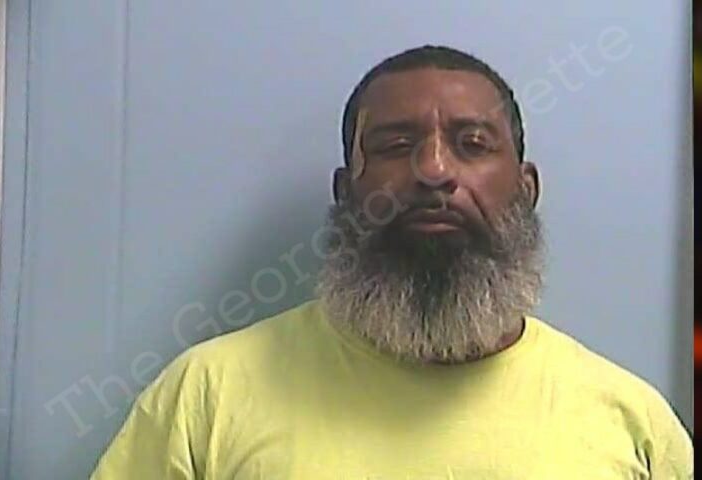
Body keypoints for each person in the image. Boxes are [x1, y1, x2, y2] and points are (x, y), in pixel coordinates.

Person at [91, 45, 693, 479]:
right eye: (395, 145)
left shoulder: (631, 422)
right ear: (345, 191)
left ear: (525, 188)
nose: (433, 170)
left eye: (472, 144)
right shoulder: (208, 395)